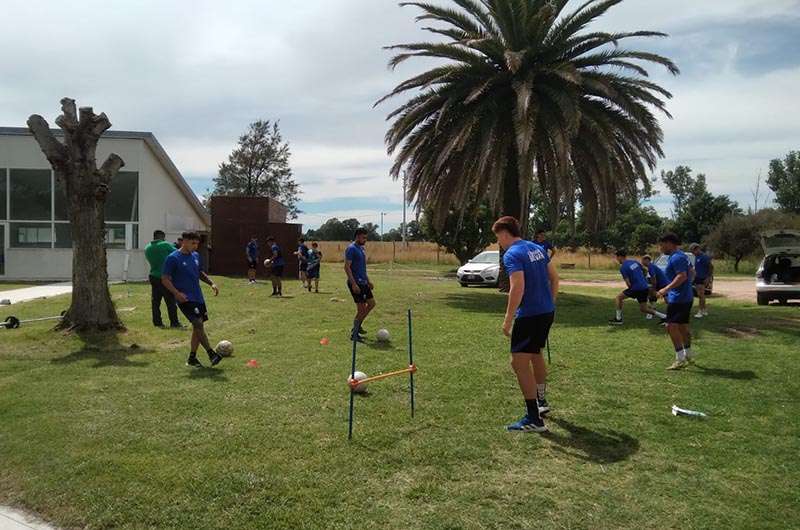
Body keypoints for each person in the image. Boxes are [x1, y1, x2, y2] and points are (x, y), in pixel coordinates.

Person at [494, 216, 559, 434]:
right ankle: (540, 401)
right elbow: (555, 278)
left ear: (504, 233)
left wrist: (507, 319)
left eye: (498, 238)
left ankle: (534, 419)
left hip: (529, 315)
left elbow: (517, 288)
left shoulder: (512, 253)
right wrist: (550, 302)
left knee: (518, 363)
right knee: (535, 355)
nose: (499, 243)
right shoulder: (537, 248)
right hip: (546, 312)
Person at [162, 231, 223, 368]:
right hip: (185, 298)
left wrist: (211, 283)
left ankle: (192, 358)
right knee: (198, 323)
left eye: (197, 244)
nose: (195, 246)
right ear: (184, 241)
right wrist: (176, 293)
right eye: (193, 243)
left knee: (198, 327)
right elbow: (165, 279)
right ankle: (211, 353)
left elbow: (200, 272)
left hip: (198, 297)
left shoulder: (195, 256)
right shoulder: (173, 258)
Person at [657, 233, 696, 371]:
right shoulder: (683, 256)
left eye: (662, 244)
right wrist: (687, 288)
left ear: (669, 243)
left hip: (678, 298)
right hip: (686, 297)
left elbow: (682, 276)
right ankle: (688, 355)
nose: (661, 247)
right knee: (683, 327)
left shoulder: (676, 257)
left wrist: (665, 289)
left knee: (671, 326)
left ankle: (679, 359)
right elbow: (692, 273)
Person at [609, 250, 666, 325]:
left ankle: (618, 319)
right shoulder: (634, 262)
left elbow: (628, 283)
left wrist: (633, 291)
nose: (617, 259)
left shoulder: (623, 267)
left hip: (636, 288)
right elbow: (645, 270)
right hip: (645, 287)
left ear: (620, 257)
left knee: (618, 298)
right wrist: (642, 279)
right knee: (644, 309)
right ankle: (665, 317)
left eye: (617, 257)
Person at [144, 230, 181, 328]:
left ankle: (157, 323)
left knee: (156, 302)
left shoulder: (147, 247)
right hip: (165, 277)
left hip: (153, 275)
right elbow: (178, 253)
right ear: (162, 237)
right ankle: (174, 323)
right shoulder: (165, 244)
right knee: (170, 301)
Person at [345, 228, 375, 343]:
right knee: (361, 309)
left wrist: (368, 281)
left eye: (366, 238)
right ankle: (354, 334)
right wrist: (353, 284)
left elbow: (362, 268)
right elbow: (347, 267)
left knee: (372, 304)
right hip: (356, 283)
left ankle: (358, 325)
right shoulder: (351, 249)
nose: (365, 240)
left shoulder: (361, 249)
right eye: (363, 237)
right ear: (357, 236)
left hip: (363, 282)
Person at [689, 243, 713, 318]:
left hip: (702, 278)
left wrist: (708, 278)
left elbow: (711, 267)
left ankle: (700, 311)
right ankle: (704, 310)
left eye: (693, 251)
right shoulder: (697, 257)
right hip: (697, 277)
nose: (693, 253)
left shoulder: (704, 257)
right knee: (701, 295)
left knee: (700, 295)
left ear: (697, 249)